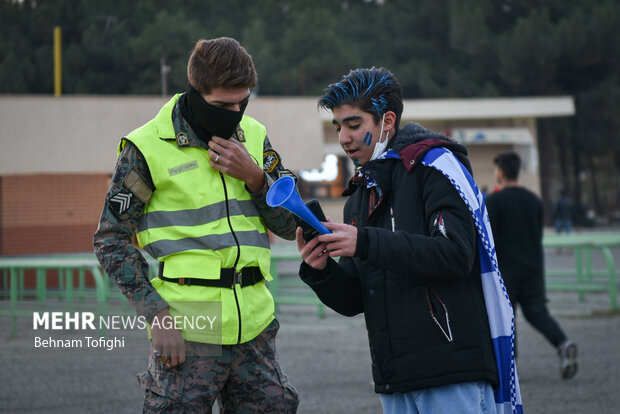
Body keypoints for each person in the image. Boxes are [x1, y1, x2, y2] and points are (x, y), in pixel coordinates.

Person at [296, 67, 522, 414]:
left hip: (452, 373)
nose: (343, 137)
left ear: (387, 121)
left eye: (353, 125)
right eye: (338, 126)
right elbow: (356, 297)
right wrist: (321, 269)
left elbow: (454, 253)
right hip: (394, 379)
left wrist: (366, 242)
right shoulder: (359, 194)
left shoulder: (435, 166)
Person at [93, 37, 299, 413]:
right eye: (223, 105)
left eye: (243, 101)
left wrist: (255, 178)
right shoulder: (147, 148)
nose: (236, 112)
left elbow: (290, 225)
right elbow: (110, 241)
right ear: (195, 91)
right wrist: (156, 314)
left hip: (255, 330)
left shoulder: (253, 135)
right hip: (188, 332)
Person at [486, 151, 578, 380]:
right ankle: (562, 344)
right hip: (533, 269)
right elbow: (536, 236)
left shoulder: (494, 202)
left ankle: (510, 368)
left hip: (506, 271)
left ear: (502, 172)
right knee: (536, 312)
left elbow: (491, 240)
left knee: (507, 317)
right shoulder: (534, 201)